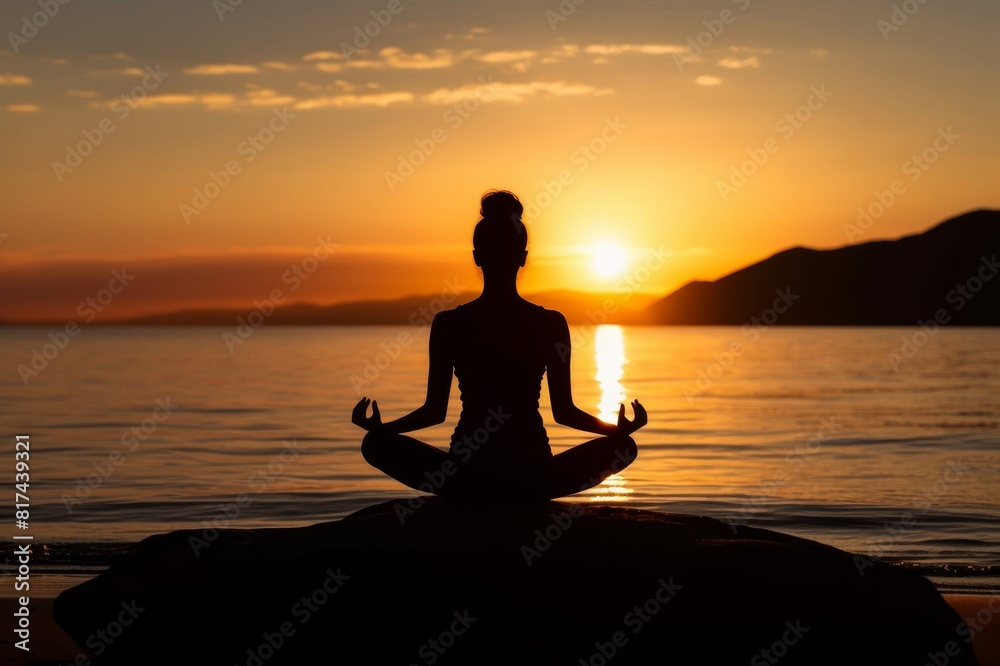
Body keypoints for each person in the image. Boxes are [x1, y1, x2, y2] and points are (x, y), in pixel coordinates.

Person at [353, 190, 646, 503]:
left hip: (465, 477)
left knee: (374, 445)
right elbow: (565, 413)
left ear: (477, 256)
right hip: (533, 477)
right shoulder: (550, 323)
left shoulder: (449, 323)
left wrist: (382, 430)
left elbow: (433, 413)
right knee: (624, 448)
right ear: (522, 257)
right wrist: (616, 431)